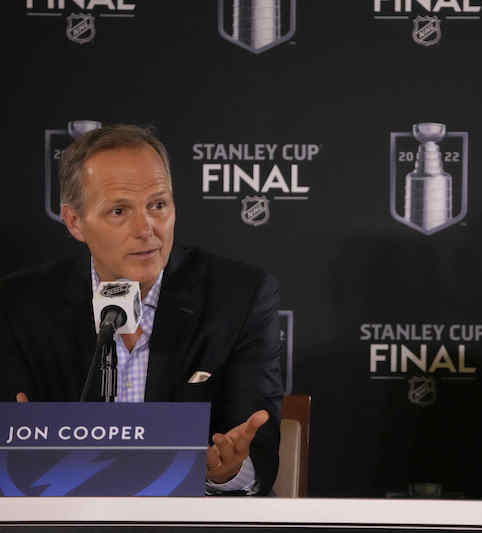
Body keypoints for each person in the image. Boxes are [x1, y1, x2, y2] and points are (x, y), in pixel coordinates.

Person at [0, 125, 283, 495]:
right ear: (74, 222)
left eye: (158, 205)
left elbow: (256, 451)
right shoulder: (21, 305)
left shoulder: (238, 297)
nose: (146, 228)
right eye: (119, 211)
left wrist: (224, 472)